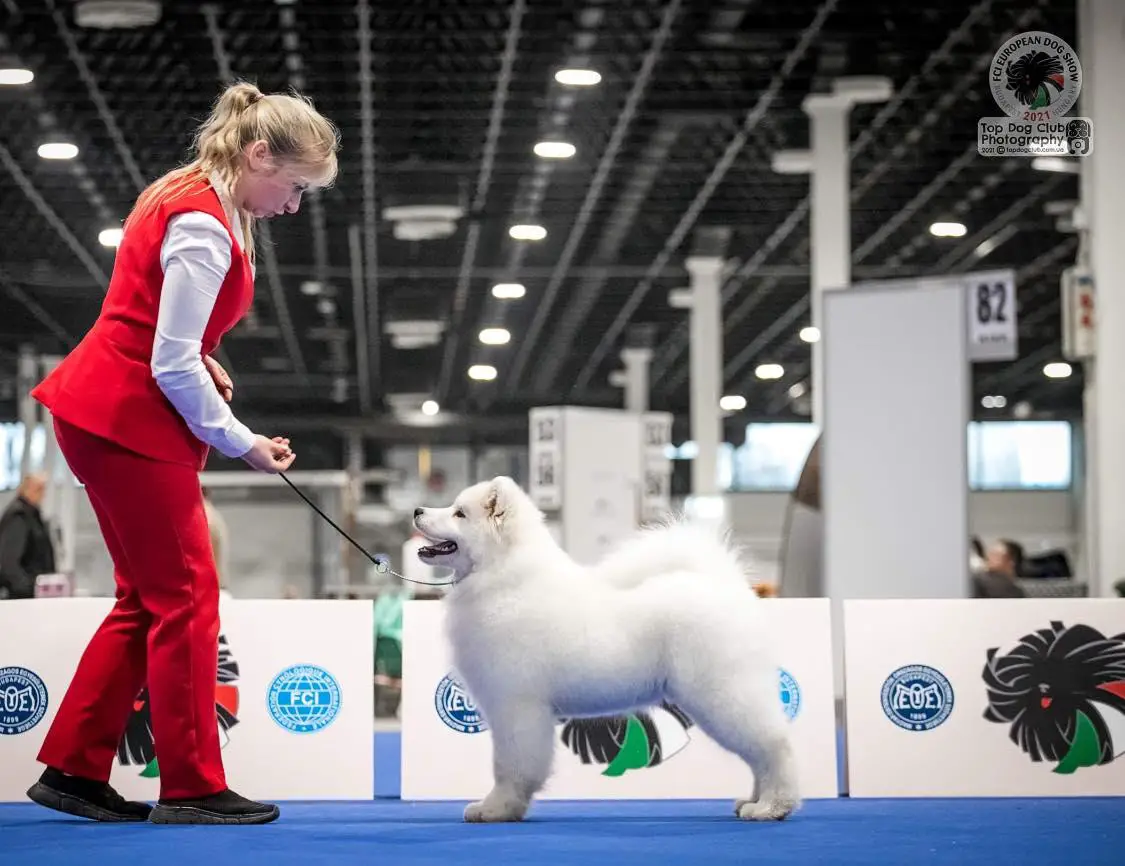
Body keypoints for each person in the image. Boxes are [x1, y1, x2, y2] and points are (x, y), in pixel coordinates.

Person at [23, 81, 339, 825]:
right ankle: (192, 784)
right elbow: (167, 362)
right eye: (293, 187)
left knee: (149, 600)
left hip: (110, 411)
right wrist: (241, 442)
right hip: (126, 420)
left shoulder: (193, 192)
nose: (293, 206)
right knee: (188, 598)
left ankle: (73, 770)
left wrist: (205, 357)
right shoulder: (201, 223)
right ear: (258, 154)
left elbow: (160, 333)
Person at [0, 472, 56, 599]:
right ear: (26, 489)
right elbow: (9, 562)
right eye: (39, 489)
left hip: (36, 594)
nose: (42, 494)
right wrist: (28, 589)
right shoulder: (18, 516)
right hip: (23, 597)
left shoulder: (32, 515)